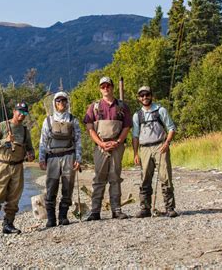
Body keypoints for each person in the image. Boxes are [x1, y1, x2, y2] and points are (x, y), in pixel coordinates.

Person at [83, 77, 132, 220]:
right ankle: (95, 211)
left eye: (108, 86)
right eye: (103, 86)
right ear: (100, 89)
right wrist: (100, 143)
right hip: (100, 147)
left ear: (112, 87)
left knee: (115, 178)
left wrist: (118, 141)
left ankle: (116, 210)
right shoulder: (94, 106)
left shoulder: (122, 106)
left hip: (117, 146)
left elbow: (127, 127)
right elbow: (90, 128)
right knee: (99, 178)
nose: (106, 88)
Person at [0, 102, 35, 238]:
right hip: (2, 165)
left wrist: (31, 154)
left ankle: (8, 225)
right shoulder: (2, 126)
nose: (21, 115)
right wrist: (4, 141)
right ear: (14, 111)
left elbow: (30, 148)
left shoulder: (25, 131)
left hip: (18, 166)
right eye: (19, 112)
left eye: (24, 113)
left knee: (14, 198)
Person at [132, 86, 178, 218]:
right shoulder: (137, 115)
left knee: (165, 177)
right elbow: (135, 136)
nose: (145, 97)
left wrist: (167, 143)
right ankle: (145, 208)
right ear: (139, 98)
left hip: (160, 146)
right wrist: (136, 153)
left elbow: (171, 128)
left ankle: (170, 208)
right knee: (145, 179)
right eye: (142, 95)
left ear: (151, 95)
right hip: (144, 149)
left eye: (147, 95)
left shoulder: (160, 110)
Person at [38, 91, 82, 227]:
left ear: (67, 102)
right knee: (51, 187)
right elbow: (43, 140)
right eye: (58, 101)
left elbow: (78, 140)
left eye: (63, 101)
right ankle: (51, 219)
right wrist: (41, 158)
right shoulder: (48, 120)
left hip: (69, 155)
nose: (61, 103)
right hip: (52, 157)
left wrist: (78, 158)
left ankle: (63, 216)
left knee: (68, 187)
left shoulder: (73, 120)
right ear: (54, 103)